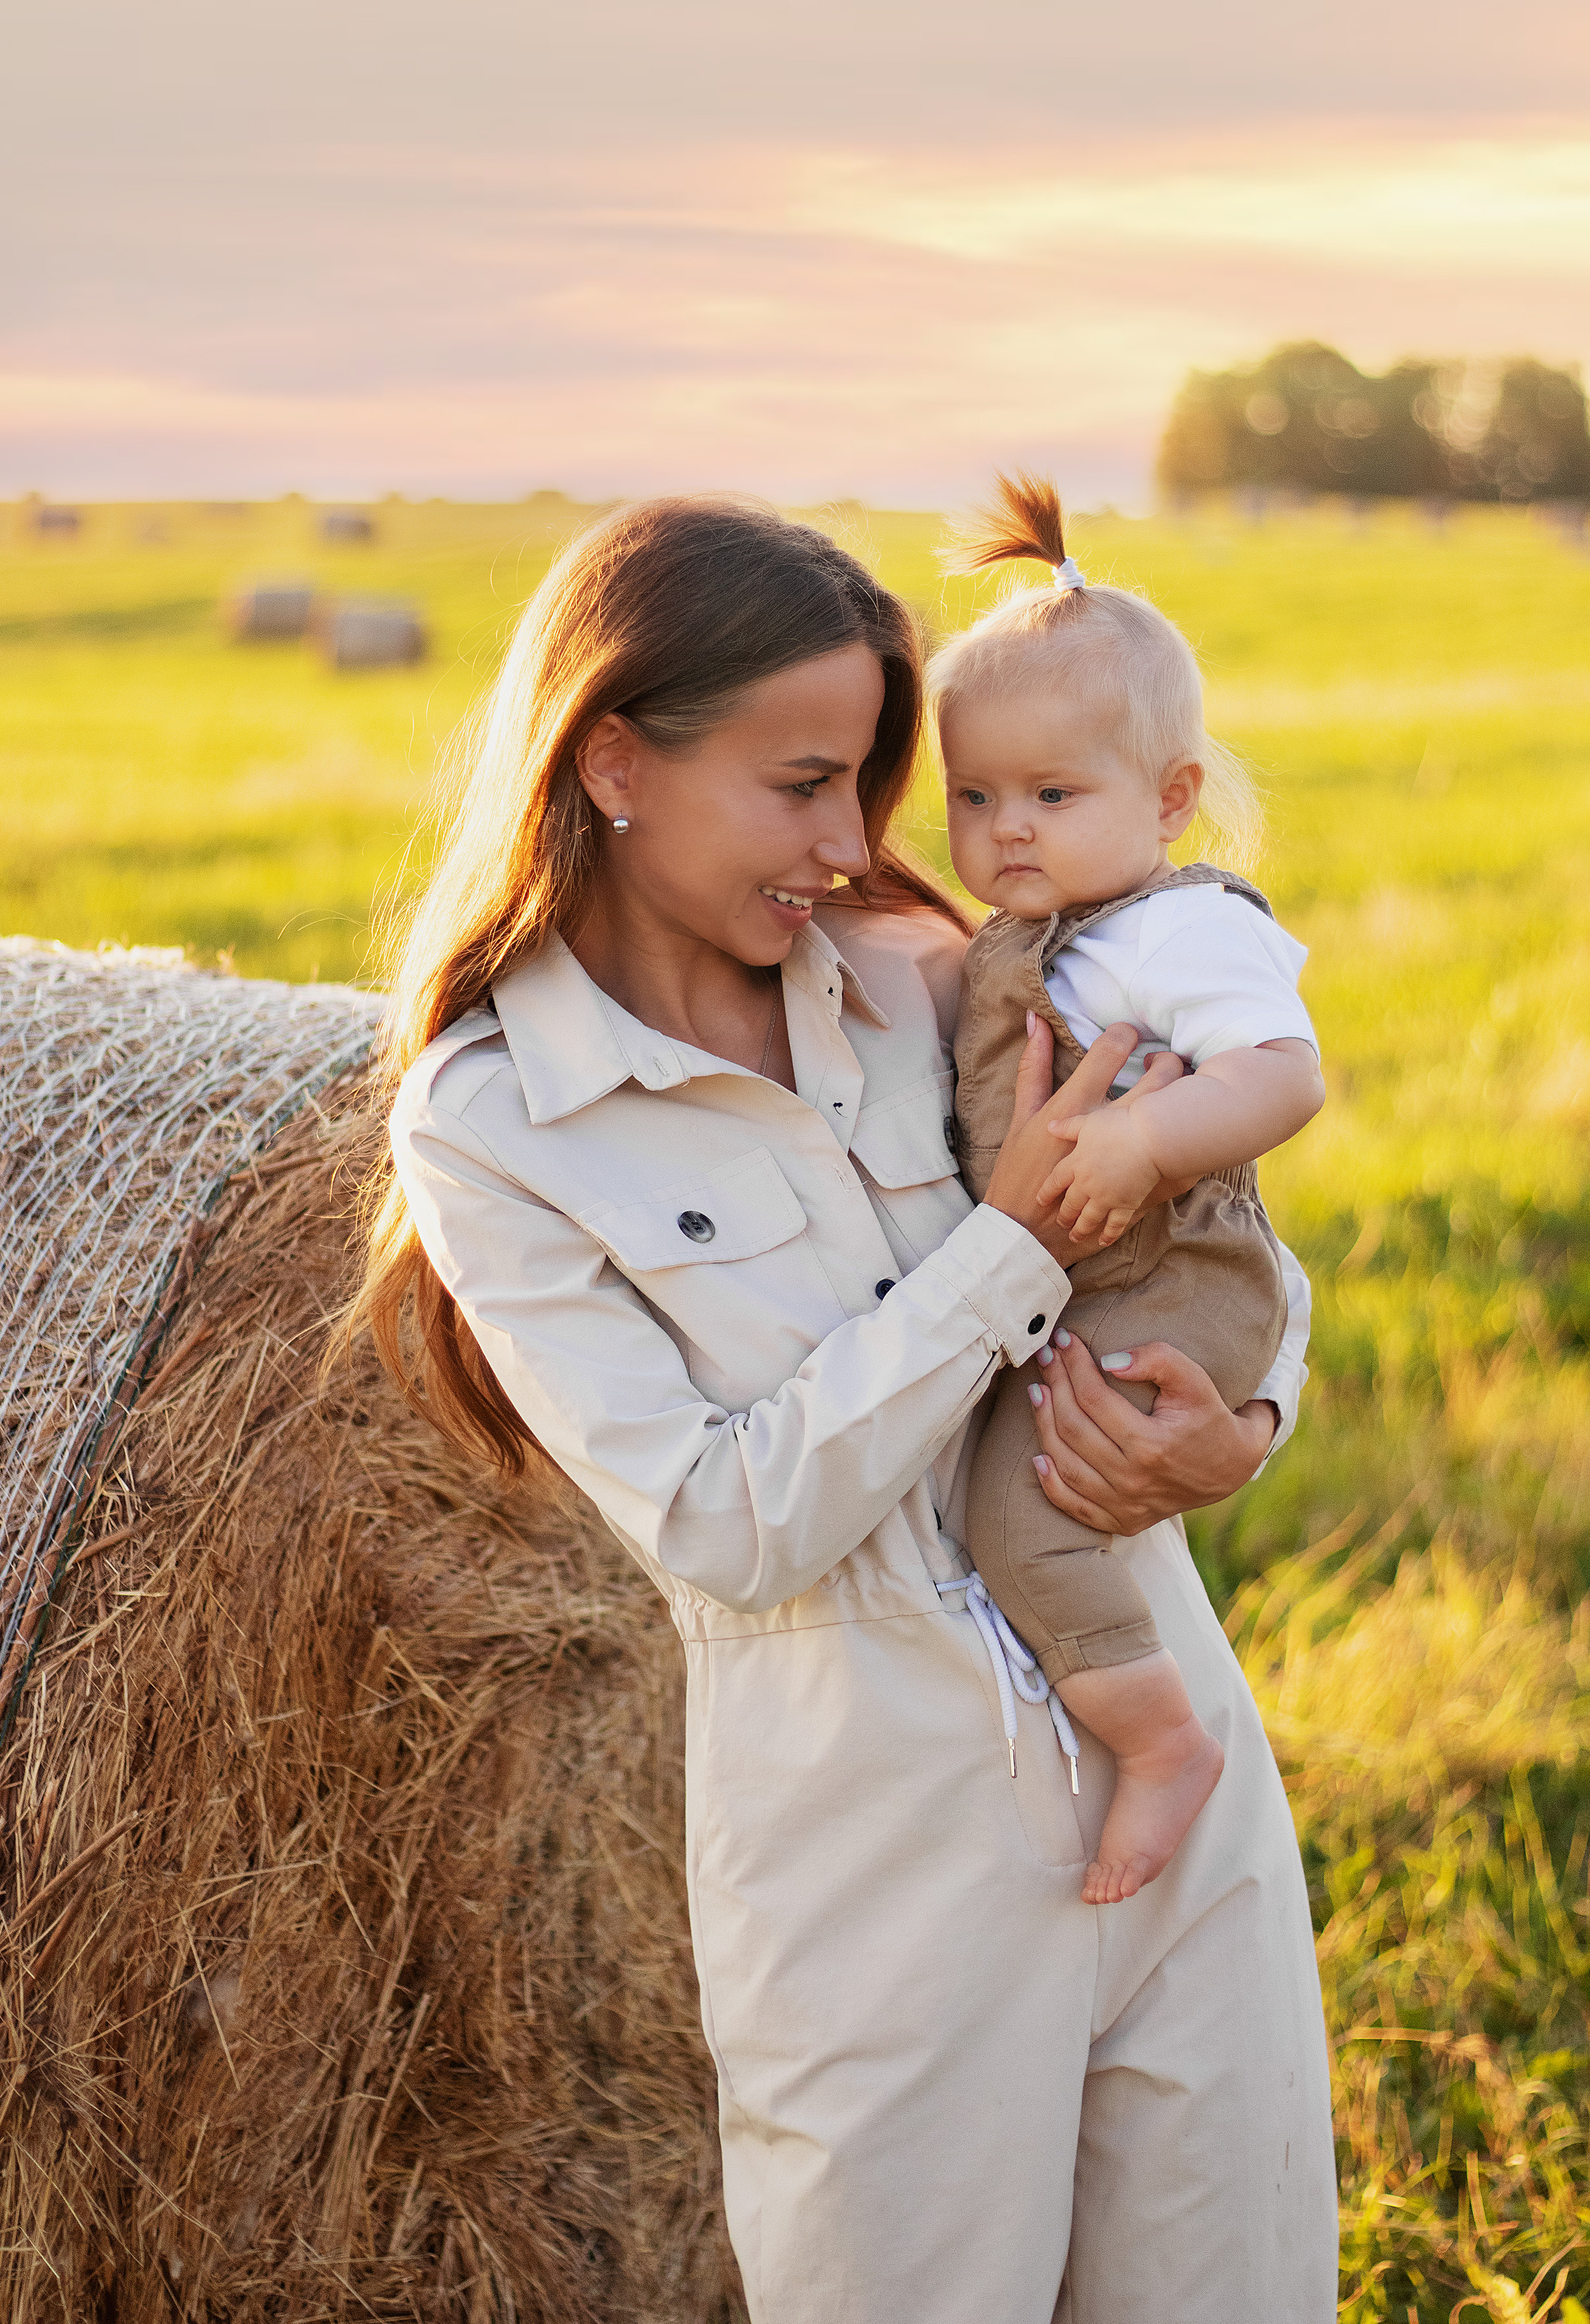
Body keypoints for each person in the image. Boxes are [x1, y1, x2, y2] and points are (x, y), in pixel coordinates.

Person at [359, 496, 1338, 2323]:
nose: (854, 840)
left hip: (1170, 1771)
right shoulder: (497, 1119)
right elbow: (731, 1529)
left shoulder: (920, 966)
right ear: (616, 760)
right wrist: (1012, 1246)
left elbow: (1208, 1215)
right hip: (881, 1879)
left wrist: (1244, 1427)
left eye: (872, 780)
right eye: (804, 782)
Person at [933, 473, 1325, 1907]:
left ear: (1167, 801)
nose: (1004, 831)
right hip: (1083, 1278)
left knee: (1016, 1509)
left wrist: (1145, 1145)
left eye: (1049, 795)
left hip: (1167, 1285)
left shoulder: (1178, 931)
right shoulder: (1020, 935)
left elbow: (1284, 1079)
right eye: (970, 797)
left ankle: (1160, 1743)